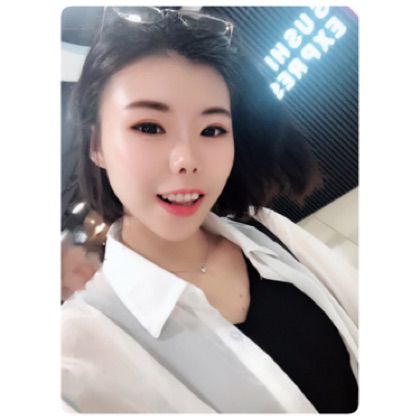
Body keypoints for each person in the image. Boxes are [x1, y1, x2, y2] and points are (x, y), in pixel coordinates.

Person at [61, 6, 358, 413]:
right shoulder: (77, 355)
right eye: (149, 127)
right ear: (97, 145)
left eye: (213, 129)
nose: (187, 159)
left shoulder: (268, 232)